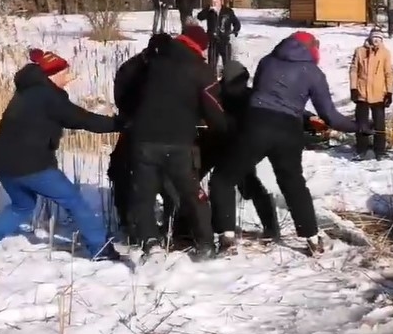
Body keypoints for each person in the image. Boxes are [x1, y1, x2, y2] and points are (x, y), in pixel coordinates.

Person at [208, 32, 366, 255]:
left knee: (223, 179)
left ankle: (227, 239)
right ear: (312, 50)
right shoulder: (313, 73)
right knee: (293, 184)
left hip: (257, 125)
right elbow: (330, 116)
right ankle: (312, 239)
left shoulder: (267, 61)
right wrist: (358, 126)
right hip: (289, 131)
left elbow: (268, 95)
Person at [0, 49, 122, 261]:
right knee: (74, 201)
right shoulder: (48, 96)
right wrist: (118, 124)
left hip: (3, 164)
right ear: (52, 75)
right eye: (64, 74)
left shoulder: (27, 92)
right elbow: (82, 119)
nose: (67, 80)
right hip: (32, 166)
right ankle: (100, 248)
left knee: (22, 206)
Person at [126, 26, 227, 260]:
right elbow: (213, 108)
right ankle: (205, 244)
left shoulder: (151, 62)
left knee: (145, 194)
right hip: (179, 142)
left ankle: (151, 244)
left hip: (143, 139)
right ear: (200, 47)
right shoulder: (201, 70)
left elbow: (129, 94)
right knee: (192, 194)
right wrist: (224, 129)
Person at [185, 60, 279, 242]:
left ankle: (218, 229)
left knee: (207, 183)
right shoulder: (251, 96)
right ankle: (269, 226)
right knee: (244, 184)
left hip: (218, 144)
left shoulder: (216, 95)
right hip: (235, 147)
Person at [108, 36, 178, 238]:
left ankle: (170, 220)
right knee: (122, 171)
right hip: (134, 128)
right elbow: (122, 98)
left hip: (159, 130)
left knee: (166, 176)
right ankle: (128, 221)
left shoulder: (166, 68)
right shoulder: (132, 69)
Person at [349, 27, 393, 160]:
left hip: (378, 93)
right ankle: (361, 149)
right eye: (374, 37)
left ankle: (380, 150)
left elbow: (389, 74)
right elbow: (353, 70)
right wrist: (353, 89)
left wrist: (389, 92)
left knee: (379, 124)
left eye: (379, 38)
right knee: (361, 123)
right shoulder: (360, 51)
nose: (376, 40)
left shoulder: (385, 53)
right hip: (362, 92)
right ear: (370, 38)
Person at [197, 0, 241, 73]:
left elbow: (236, 23)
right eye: (213, 2)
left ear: (220, 1)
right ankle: (212, 80)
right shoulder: (209, 12)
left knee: (227, 64)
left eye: (216, 2)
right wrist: (207, 9)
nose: (214, 4)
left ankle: (227, 81)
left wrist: (234, 32)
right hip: (213, 41)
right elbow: (199, 17)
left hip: (225, 41)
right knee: (212, 65)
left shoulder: (228, 11)